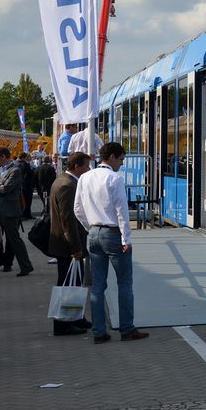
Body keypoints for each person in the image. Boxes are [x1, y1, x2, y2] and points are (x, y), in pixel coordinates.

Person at [74, 142, 148, 344]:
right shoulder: (114, 178)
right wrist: (126, 238)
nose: (122, 164)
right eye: (122, 159)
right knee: (124, 283)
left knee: (98, 286)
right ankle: (127, 329)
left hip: (94, 233)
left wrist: (91, 229)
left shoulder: (85, 177)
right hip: (113, 234)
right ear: (113, 157)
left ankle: (99, 332)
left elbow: (77, 209)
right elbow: (121, 212)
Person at [48, 153, 93, 336]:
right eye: (86, 166)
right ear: (77, 167)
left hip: (63, 244)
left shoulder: (61, 181)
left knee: (73, 282)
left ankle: (76, 317)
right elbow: (68, 220)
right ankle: (62, 323)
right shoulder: (68, 185)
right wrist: (76, 247)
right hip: (67, 245)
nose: (89, 170)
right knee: (68, 284)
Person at [0, 148, 33, 277]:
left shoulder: (15, 170)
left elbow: (5, 189)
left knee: (14, 240)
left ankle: (26, 266)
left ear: (3, 157)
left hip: (10, 210)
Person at [16, 152, 35, 219]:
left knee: (21, 200)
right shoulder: (25, 164)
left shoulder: (15, 163)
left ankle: (22, 214)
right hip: (26, 185)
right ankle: (27, 214)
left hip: (19, 184)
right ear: (24, 157)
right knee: (28, 200)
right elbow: (30, 173)